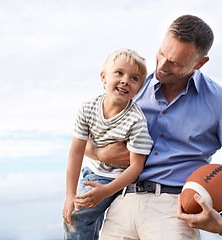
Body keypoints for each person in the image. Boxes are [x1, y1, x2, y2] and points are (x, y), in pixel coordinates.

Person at [84, 15, 222, 239]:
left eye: (175, 63)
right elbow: (87, 134)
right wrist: (98, 152)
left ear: (199, 64)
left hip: (173, 211)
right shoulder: (132, 89)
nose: (162, 65)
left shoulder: (220, 100)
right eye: (161, 53)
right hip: (120, 204)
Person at [62, 49, 154, 239]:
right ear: (104, 77)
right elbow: (76, 153)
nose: (125, 81)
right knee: (77, 215)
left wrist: (106, 191)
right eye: (119, 73)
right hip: (91, 172)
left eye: (134, 78)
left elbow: (137, 166)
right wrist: (69, 195)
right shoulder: (87, 109)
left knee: (77, 217)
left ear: (138, 88)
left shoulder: (136, 121)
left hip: (117, 179)